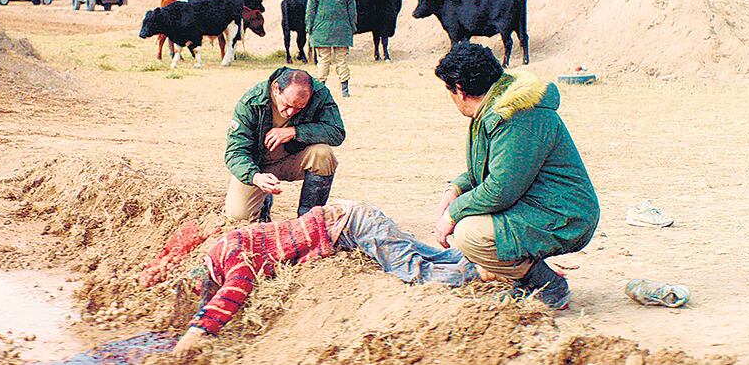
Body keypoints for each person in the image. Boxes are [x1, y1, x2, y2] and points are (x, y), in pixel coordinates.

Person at [173, 201, 478, 354]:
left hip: (354, 224)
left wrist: (201, 330)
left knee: (414, 271)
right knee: (426, 255)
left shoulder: (233, 255)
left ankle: (480, 273)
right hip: (353, 218)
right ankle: (488, 261)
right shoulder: (224, 246)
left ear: (214, 277)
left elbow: (236, 290)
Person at [431, 43, 600, 309]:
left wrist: (452, 215)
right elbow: (496, 167)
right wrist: (455, 188)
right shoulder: (498, 106)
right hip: (540, 204)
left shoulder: (516, 117)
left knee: (470, 234)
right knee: (475, 224)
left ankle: (548, 286)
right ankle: (529, 279)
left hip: (564, 214)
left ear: (461, 92)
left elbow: (500, 189)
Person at [225, 67, 345, 222]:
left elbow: (337, 133)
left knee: (323, 153)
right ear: (276, 89)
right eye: (287, 105)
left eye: (299, 108)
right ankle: (263, 205)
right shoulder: (251, 102)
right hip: (258, 166)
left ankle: (309, 220)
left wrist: (295, 131)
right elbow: (235, 152)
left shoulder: (319, 94)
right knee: (238, 215)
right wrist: (255, 177)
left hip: (293, 160)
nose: (290, 112)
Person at [306, 0, 356, 98]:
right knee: (342, 60)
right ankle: (345, 90)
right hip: (342, 30)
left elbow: (310, 10)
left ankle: (321, 89)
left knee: (323, 60)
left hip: (321, 30)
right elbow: (352, 12)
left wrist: (309, 27)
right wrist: (352, 28)